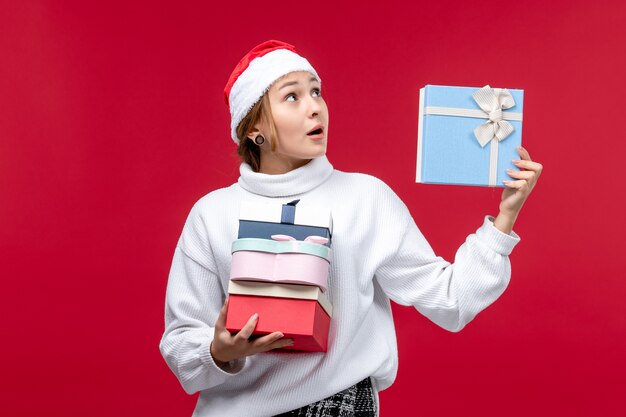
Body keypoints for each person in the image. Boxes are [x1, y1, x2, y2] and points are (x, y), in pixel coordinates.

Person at [159, 40, 543, 417]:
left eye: (316, 92)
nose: (315, 108)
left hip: (340, 405)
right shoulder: (211, 214)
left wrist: (504, 217)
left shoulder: (366, 197)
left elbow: (450, 300)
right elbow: (180, 344)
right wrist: (218, 351)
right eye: (292, 97)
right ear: (254, 128)